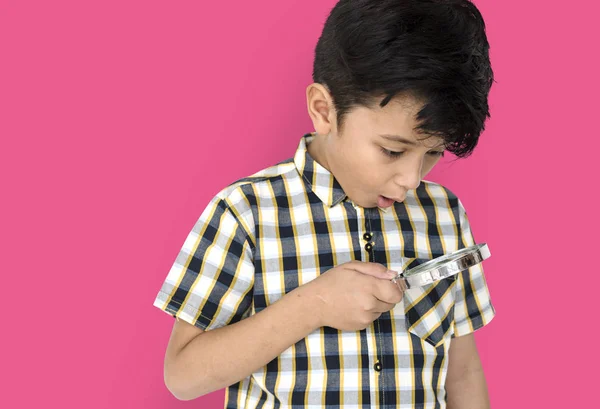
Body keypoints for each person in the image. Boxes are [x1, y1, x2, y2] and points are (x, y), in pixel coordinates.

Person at [153, 0, 496, 407]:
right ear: (324, 110)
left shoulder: (444, 214)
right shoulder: (246, 212)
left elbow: (463, 371)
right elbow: (182, 376)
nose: (410, 180)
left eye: (433, 153)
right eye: (391, 151)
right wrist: (313, 305)